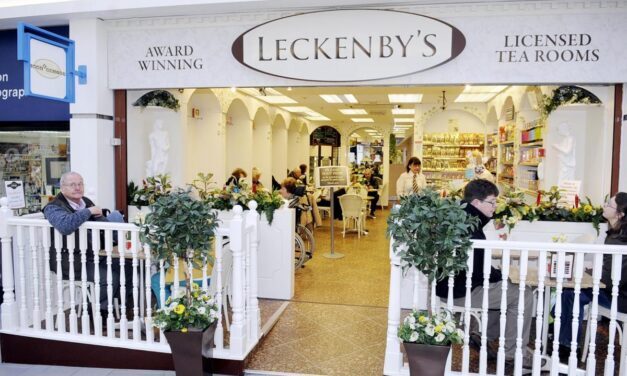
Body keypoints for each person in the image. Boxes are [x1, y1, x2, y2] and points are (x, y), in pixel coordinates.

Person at [435, 179, 535, 372]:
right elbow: (480, 271)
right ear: (477, 203)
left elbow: (477, 267)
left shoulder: (460, 217)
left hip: (451, 287)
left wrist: (499, 277)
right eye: (492, 202)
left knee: (504, 288)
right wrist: (501, 276)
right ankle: (513, 354)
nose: (495, 206)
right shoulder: (471, 226)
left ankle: (484, 335)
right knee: (523, 295)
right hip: (462, 291)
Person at [43, 171, 127, 318]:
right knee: (109, 277)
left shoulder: (85, 201)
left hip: (94, 255)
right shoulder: (53, 207)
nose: (78, 187)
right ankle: (99, 313)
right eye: (72, 184)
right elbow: (65, 225)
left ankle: (122, 308)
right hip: (71, 262)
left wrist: (99, 216)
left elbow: (102, 226)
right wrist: (88, 211)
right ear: (62, 188)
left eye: (80, 183)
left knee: (126, 267)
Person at [558, 192, 627, 361]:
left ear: (620, 214)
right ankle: (565, 343)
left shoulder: (621, 241)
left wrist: (591, 272)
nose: (604, 207)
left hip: (620, 297)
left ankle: (566, 345)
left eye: (609, 205)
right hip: (612, 291)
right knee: (570, 294)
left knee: (571, 294)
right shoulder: (613, 234)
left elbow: (614, 279)